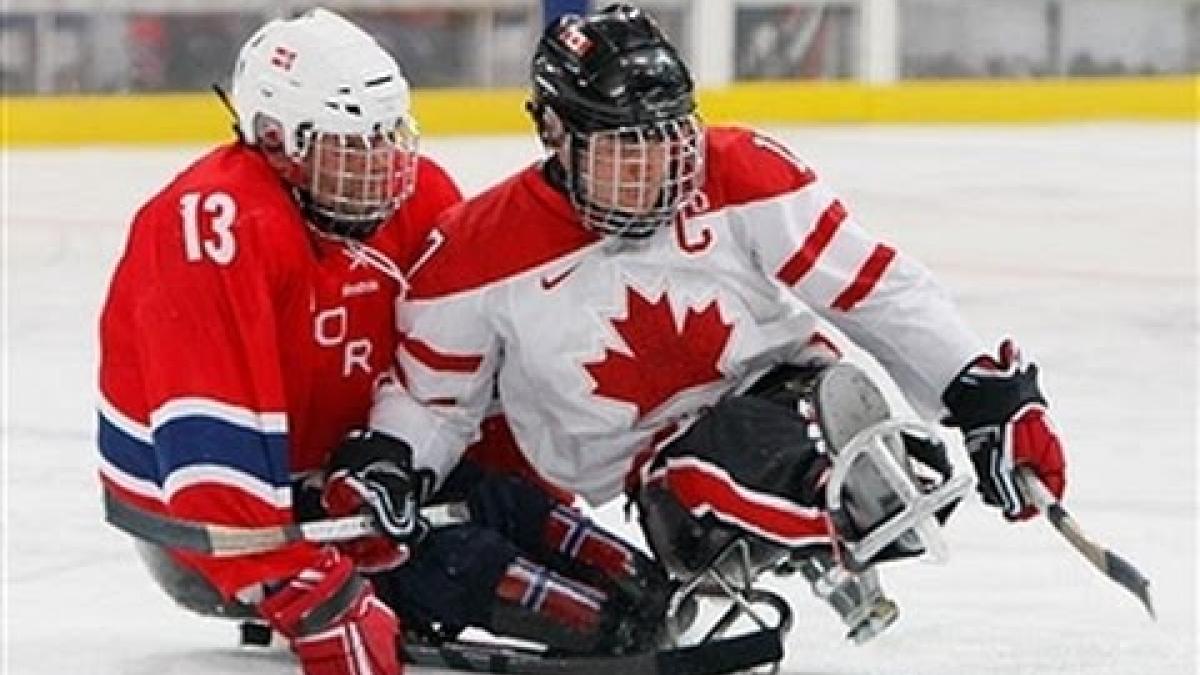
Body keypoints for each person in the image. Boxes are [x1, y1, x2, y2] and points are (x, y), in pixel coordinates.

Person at [349, 1, 1070, 651]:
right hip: (658, 468)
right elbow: (432, 403)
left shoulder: (740, 171)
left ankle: (847, 478)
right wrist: (390, 462)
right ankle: (832, 494)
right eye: (625, 150)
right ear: (554, 132)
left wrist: (982, 393)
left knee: (835, 428)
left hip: (783, 389)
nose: (657, 170)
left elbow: (874, 286)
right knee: (718, 463)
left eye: (666, 141)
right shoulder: (473, 253)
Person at [96, 9, 459, 675]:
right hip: (214, 539)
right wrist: (295, 588)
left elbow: (461, 362)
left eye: (385, 137)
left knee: (572, 590)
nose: (380, 164)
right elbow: (205, 440)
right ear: (274, 137)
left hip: (363, 491)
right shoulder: (214, 224)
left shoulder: (421, 195)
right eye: (351, 143)